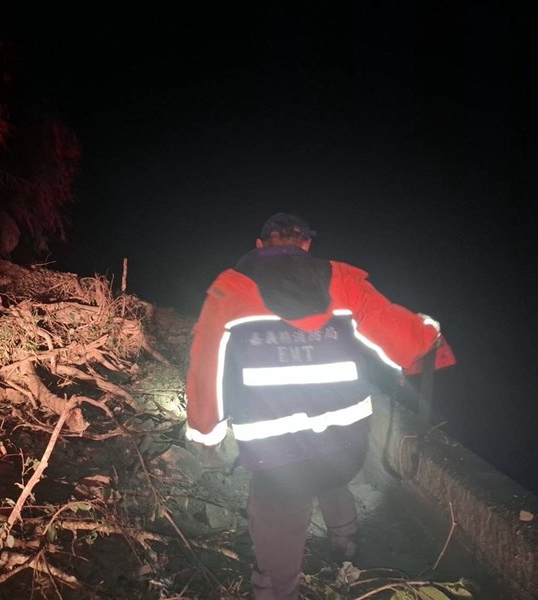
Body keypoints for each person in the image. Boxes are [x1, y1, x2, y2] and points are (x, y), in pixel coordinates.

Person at [185, 213, 443, 600]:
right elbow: (409, 344)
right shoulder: (344, 282)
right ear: (306, 244)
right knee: (333, 474)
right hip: (346, 444)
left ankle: (275, 590)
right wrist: (429, 328)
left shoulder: (230, 290)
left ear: (260, 245)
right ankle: (347, 550)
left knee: (278, 521)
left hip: (276, 455)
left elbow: (205, 368)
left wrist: (207, 435)